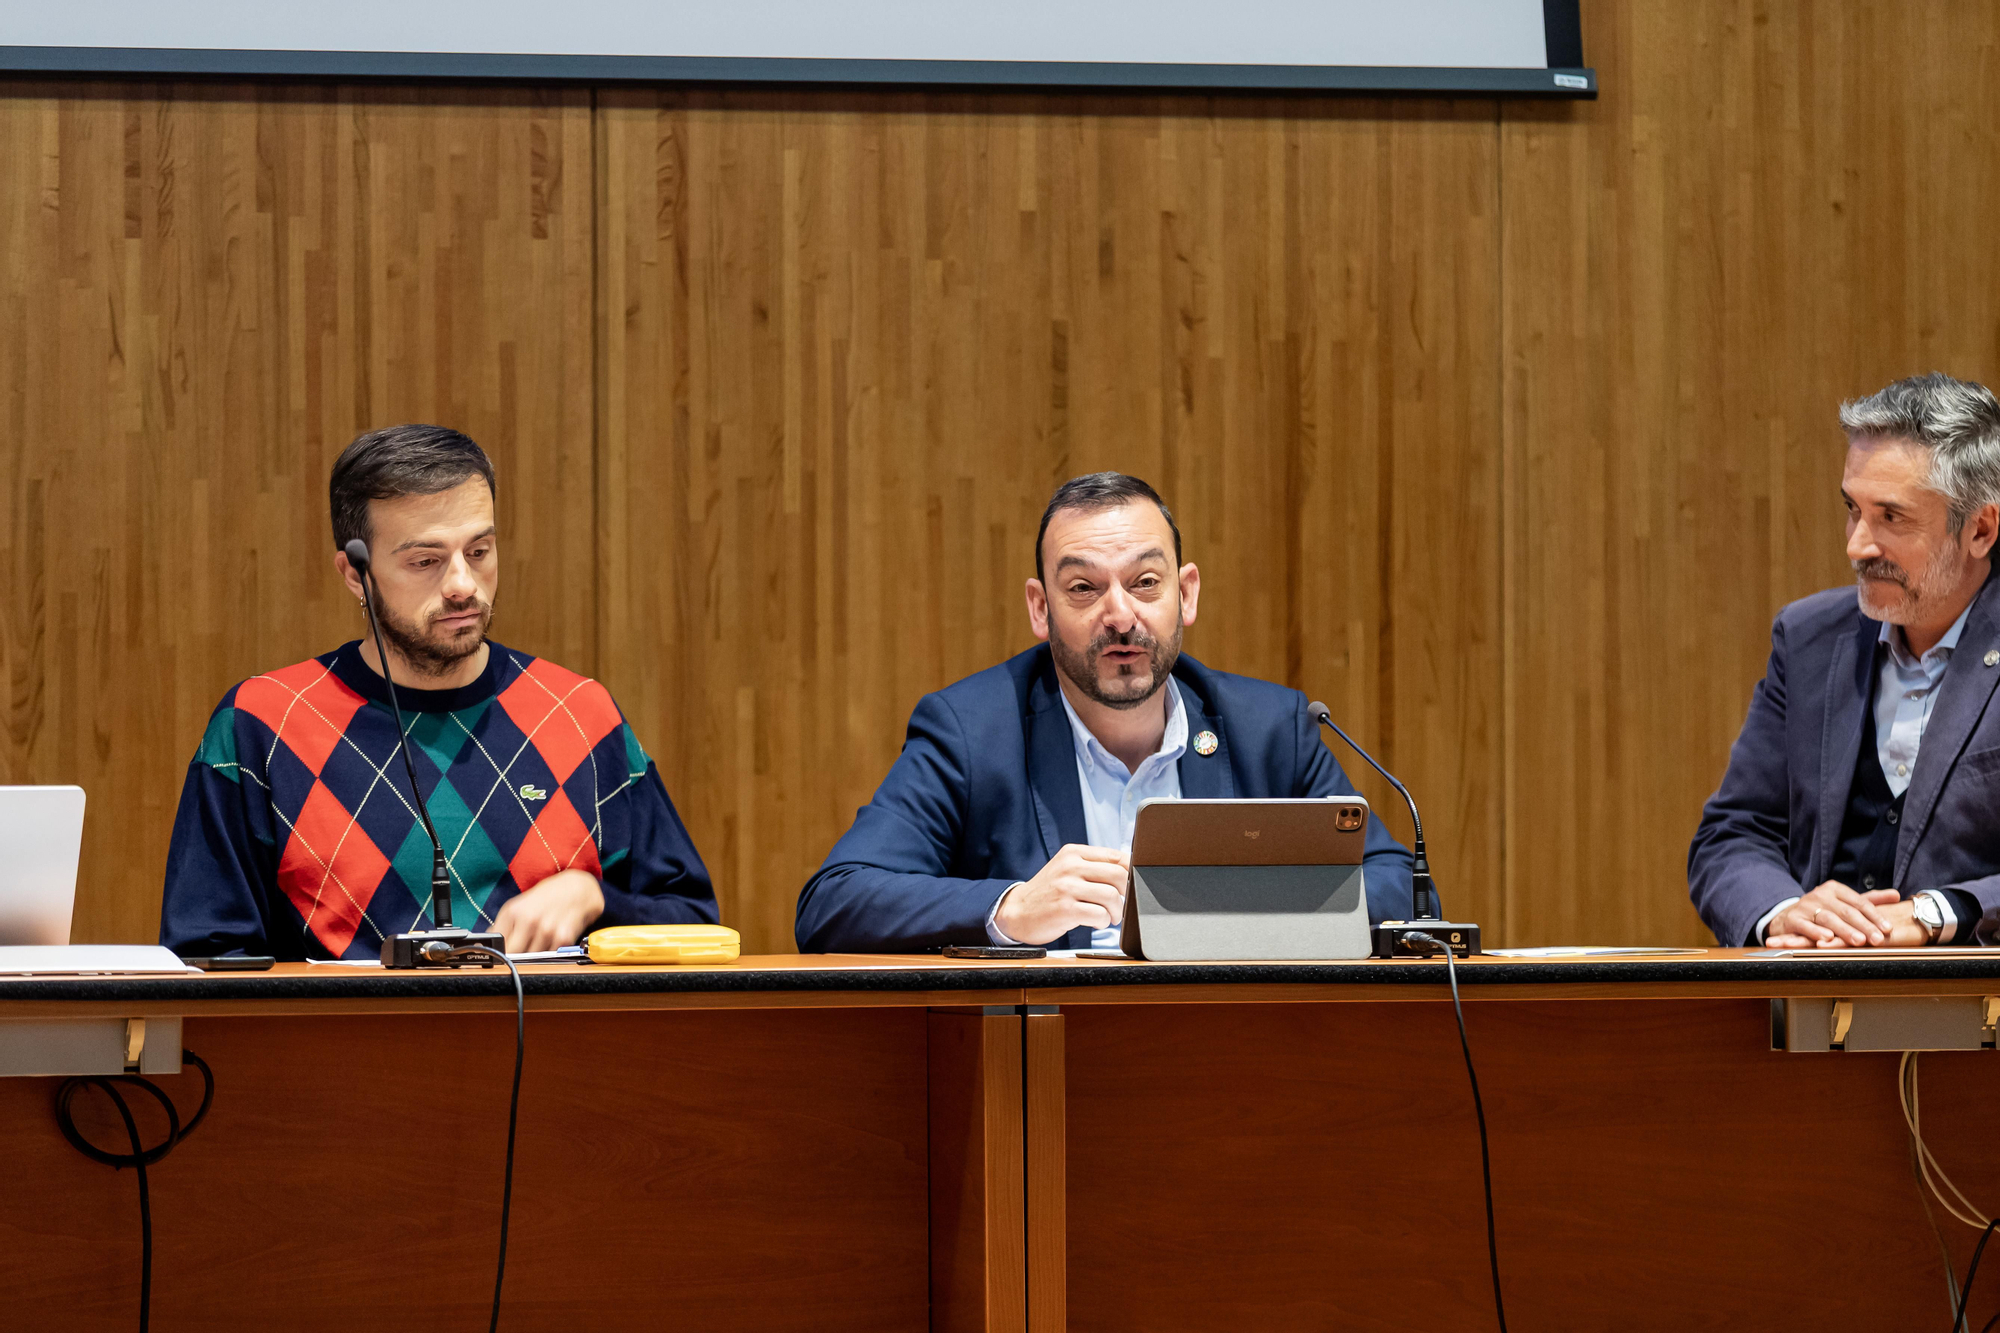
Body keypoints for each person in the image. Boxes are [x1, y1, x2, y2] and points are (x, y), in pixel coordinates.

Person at [796, 472, 1414, 953]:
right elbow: (836, 902)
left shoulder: (1271, 728)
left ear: (1186, 593)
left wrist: (1234, 906)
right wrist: (1010, 908)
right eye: (1084, 589)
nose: (1120, 615)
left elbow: (1401, 885)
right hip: (1048, 1051)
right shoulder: (973, 733)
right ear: (1041, 609)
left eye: (1145, 581)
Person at [161, 425, 716, 960]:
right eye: (425, 561)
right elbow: (206, 958)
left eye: (479, 552)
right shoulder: (261, 725)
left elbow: (694, 924)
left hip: (556, 1052)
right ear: (356, 574)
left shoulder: (579, 714)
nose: (461, 585)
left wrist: (596, 899)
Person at [1690, 373, 2000, 948]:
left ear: (1980, 529)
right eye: (1852, 510)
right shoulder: (1807, 638)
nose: (1857, 545)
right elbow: (1732, 834)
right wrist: (1782, 911)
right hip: (1808, 1017)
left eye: (1891, 517)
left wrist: (1945, 910)